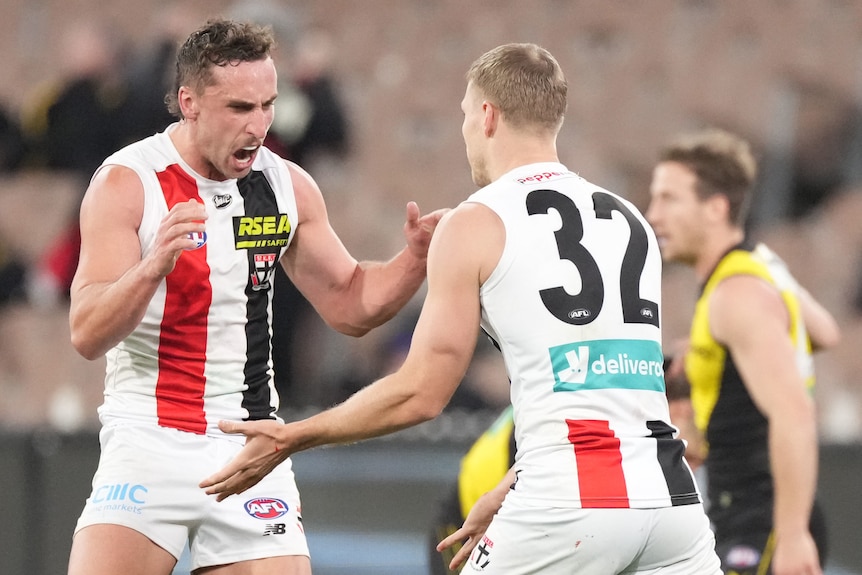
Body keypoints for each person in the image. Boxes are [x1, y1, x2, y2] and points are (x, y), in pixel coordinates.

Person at [201, 43, 722, 575]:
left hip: (567, 504)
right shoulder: (628, 218)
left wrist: (294, 436)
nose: (466, 131)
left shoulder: (475, 222)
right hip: (672, 505)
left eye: (466, 115)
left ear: (488, 116)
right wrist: (509, 485)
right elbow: (612, 396)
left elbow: (421, 393)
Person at [66, 18, 444, 575]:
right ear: (189, 103)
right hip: (149, 439)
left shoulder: (285, 185)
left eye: (268, 104)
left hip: (251, 442)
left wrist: (413, 260)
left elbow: (350, 303)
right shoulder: (128, 183)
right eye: (240, 109)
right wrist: (151, 269)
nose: (259, 126)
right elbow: (86, 333)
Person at [645, 128, 842, 575]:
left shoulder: (736, 295)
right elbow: (825, 332)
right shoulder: (756, 268)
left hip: (764, 518)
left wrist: (791, 534)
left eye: (669, 199)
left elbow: (794, 413)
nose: (653, 215)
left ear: (716, 208)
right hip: (761, 512)